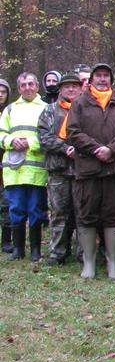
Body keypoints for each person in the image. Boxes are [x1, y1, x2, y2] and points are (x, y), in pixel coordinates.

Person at [67, 63, 115, 279]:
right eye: (99, 76)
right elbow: (73, 132)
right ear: (91, 80)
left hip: (114, 169)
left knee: (113, 214)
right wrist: (96, 149)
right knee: (86, 214)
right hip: (88, 169)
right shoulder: (79, 103)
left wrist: (111, 149)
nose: (102, 79)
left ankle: (112, 262)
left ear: (111, 79)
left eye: (106, 76)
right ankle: (89, 262)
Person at [0, 73, 49, 261]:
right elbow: (1, 134)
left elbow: (48, 135)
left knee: (36, 210)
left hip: (37, 169)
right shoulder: (10, 109)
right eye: (23, 85)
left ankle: (35, 249)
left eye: (31, 84)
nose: (27, 87)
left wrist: (30, 142)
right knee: (16, 209)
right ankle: (18, 249)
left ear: (37, 86)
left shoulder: (46, 108)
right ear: (19, 88)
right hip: (14, 170)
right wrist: (12, 141)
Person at [38, 73, 83, 264]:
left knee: (83, 214)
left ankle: (84, 253)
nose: (71, 89)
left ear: (80, 88)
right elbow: (43, 136)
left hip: (82, 171)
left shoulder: (86, 110)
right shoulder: (50, 110)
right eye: (67, 86)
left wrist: (80, 149)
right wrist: (65, 148)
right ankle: (58, 252)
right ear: (61, 89)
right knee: (59, 214)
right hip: (58, 171)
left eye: (74, 86)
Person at [0, 78, 10, 253]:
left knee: (6, 203)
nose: (0, 95)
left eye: (3, 92)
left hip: (7, 163)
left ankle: (6, 240)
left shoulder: (10, 111)